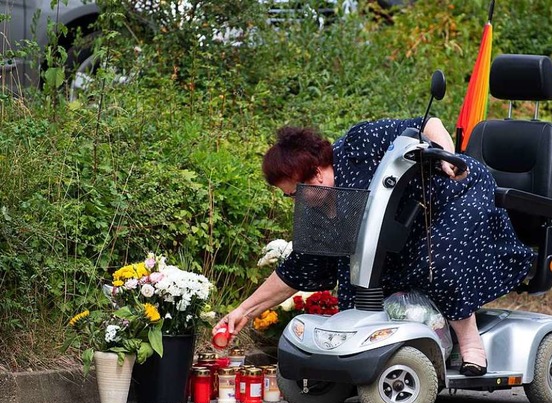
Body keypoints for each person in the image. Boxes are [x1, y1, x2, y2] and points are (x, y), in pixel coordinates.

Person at [213, 117, 535, 376]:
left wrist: (447, 156)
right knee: (358, 288)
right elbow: (297, 268)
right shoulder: (318, 209)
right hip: (400, 228)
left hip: (451, 194)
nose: (294, 202)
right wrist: (243, 310)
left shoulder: (358, 144)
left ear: (315, 175)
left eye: (294, 194)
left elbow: (428, 124)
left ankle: (469, 340)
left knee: (437, 257)